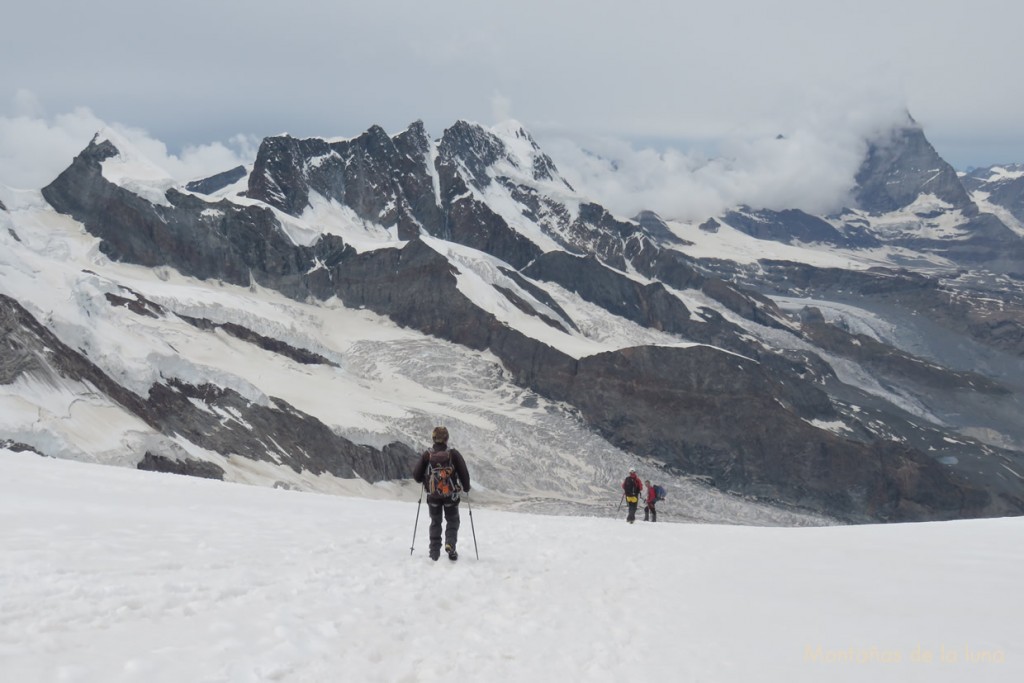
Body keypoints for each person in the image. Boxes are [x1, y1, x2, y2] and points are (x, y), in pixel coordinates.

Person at [412, 426, 471, 561]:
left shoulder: (428, 455)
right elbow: (464, 474)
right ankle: (450, 544)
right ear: (446, 438)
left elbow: (416, 476)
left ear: (433, 438)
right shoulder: (453, 454)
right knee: (452, 521)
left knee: (435, 522)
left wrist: (425, 480)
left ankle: (434, 554)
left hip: (433, 496)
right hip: (451, 496)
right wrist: (466, 487)